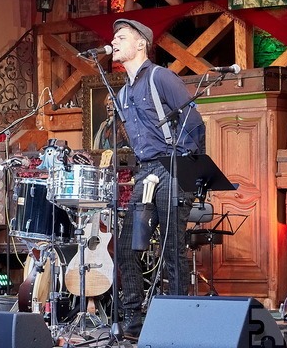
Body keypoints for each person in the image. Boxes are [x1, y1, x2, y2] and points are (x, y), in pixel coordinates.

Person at [110, 19, 205, 340]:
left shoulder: (160, 77)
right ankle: (133, 319)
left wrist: (187, 170)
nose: (114, 41)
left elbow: (194, 121)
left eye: (121, 37)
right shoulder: (122, 94)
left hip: (173, 166)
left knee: (171, 247)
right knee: (127, 248)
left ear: (141, 45)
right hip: (146, 171)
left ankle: (178, 321)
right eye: (114, 37)